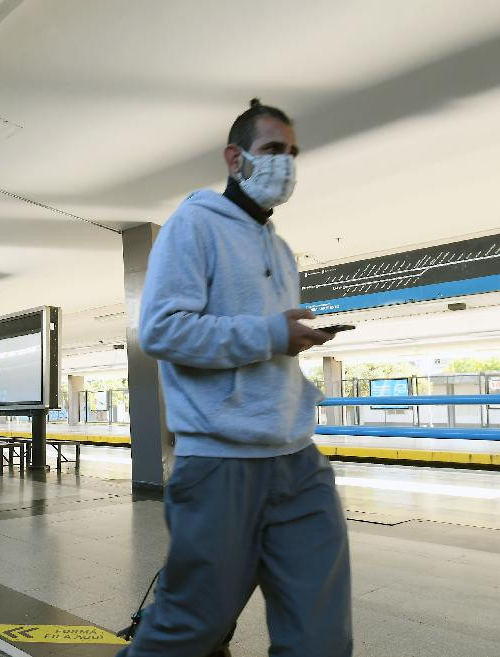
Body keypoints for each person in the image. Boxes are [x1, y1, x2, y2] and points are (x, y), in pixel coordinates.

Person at [120, 100, 351, 657]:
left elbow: (267, 339)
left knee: (320, 637)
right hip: (222, 463)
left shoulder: (281, 250)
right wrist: (271, 334)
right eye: (274, 150)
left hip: (298, 462)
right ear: (235, 157)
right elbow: (162, 331)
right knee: (192, 629)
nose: (286, 164)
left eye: (292, 153)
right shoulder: (193, 225)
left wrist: (291, 343)